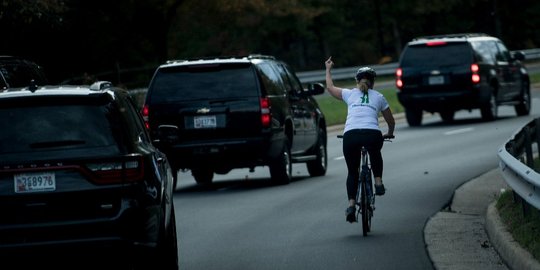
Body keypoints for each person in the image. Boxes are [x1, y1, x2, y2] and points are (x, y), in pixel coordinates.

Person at [324, 56, 395, 223]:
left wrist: (328, 69)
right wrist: (390, 132)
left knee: (352, 171)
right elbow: (390, 120)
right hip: (372, 134)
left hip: (351, 136)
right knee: (375, 152)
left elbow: (330, 87)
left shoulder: (349, 94)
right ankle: (378, 182)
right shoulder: (379, 96)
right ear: (373, 82)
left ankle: (351, 205)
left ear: (357, 81)